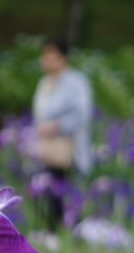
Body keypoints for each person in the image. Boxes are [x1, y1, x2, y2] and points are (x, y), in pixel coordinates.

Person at [32, 37, 93, 231]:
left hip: (69, 148)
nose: (46, 60)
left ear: (63, 58)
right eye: (44, 56)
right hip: (48, 149)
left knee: (68, 192)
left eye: (51, 56)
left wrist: (56, 126)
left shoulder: (75, 82)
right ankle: (53, 232)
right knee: (48, 191)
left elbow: (81, 113)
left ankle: (73, 233)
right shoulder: (45, 83)